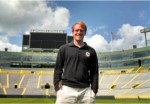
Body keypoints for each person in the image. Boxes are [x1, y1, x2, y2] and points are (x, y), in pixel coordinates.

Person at [53, 21, 99, 104]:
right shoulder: (63, 49)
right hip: (66, 90)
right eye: (77, 30)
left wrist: (94, 91)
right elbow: (58, 69)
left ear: (85, 32)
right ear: (73, 32)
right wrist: (57, 89)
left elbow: (94, 73)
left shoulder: (91, 51)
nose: (79, 32)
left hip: (86, 91)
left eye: (81, 30)